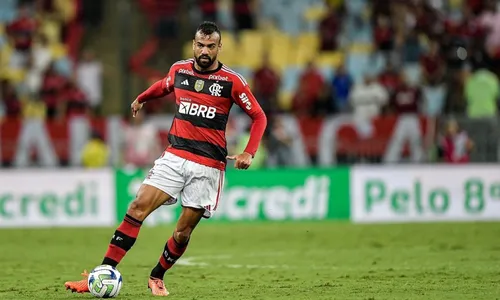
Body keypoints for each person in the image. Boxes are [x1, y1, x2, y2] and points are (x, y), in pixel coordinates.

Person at [64, 21, 267, 296]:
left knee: (183, 232)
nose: (204, 50)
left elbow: (259, 115)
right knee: (137, 207)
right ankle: (99, 277)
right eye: (200, 45)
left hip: (208, 165)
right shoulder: (179, 70)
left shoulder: (232, 81)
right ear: (193, 44)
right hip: (175, 155)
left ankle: (157, 275)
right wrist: (141, 98)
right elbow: (163, 86)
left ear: (219, 47)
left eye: (210, 46)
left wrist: (249, 152)